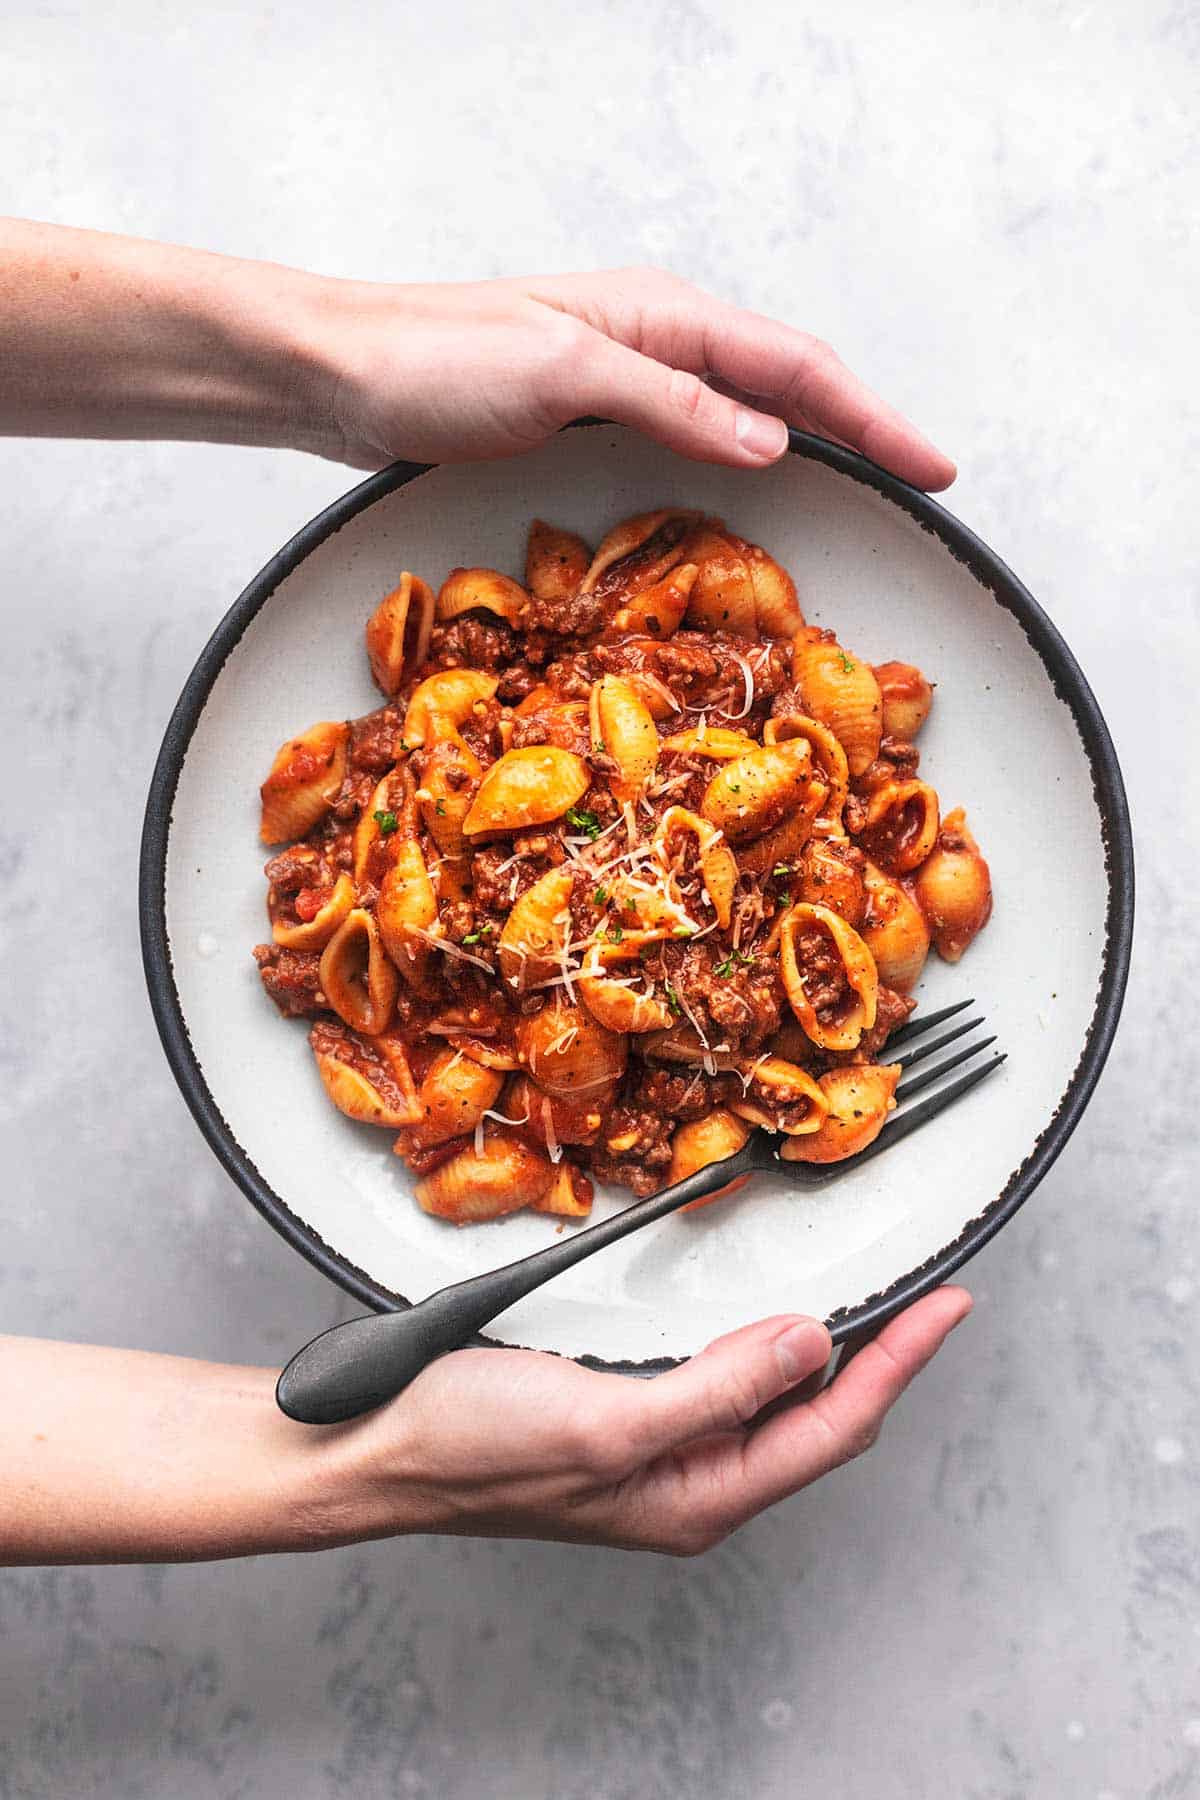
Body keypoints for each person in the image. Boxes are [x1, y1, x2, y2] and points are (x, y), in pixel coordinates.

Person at [0, 218, 970, 1563]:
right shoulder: (466, 837)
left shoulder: (748, 795)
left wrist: (341, 360)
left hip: (629, 972)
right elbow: (497, 914)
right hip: (514, 981)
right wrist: (384, 1476)